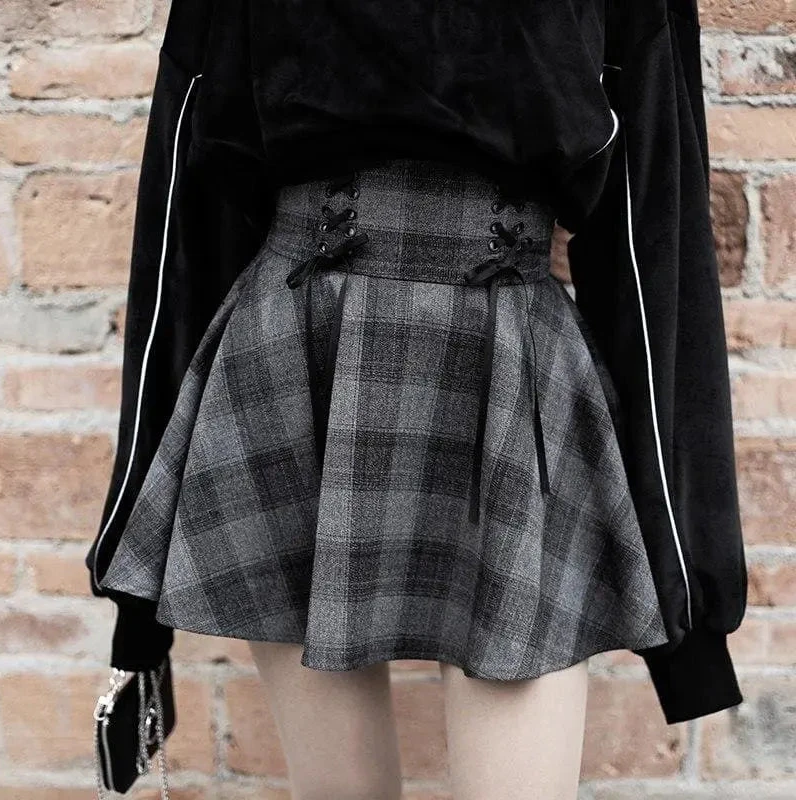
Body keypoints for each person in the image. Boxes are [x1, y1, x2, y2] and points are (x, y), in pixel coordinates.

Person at [85, 0, 748, 797]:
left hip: (507, 359)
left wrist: (689, 593)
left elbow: (652, 227)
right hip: (300, 353)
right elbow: (188, 202)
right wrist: (135, 604)